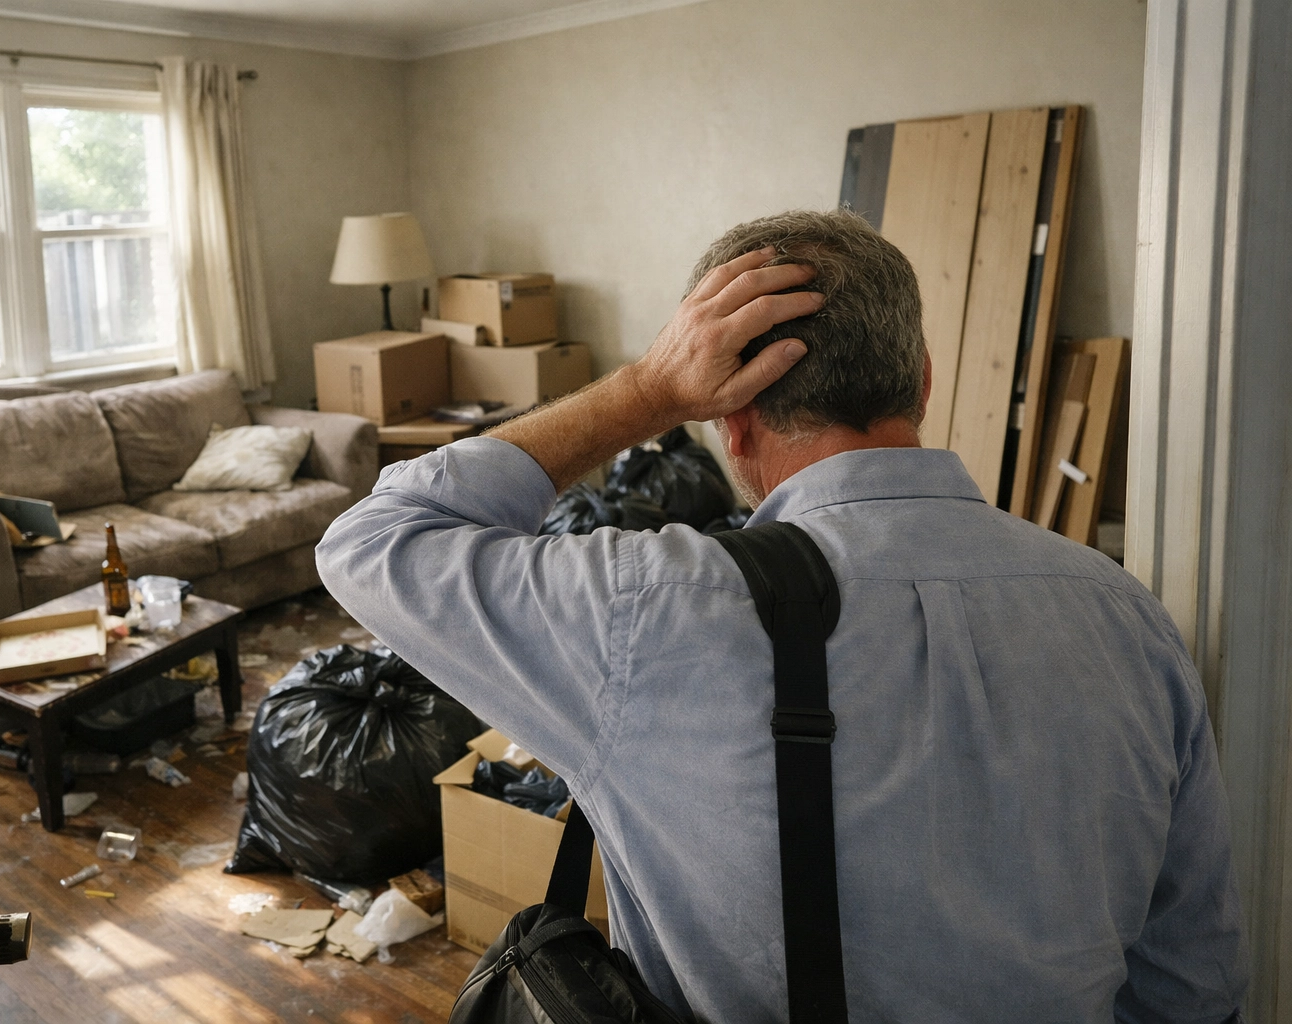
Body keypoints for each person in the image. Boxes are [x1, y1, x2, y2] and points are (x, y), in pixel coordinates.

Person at [316, 210, 1246, 1022]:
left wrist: (645, 392)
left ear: (730, 418)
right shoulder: (1128, 616)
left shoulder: (648, 612)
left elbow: (372, 540)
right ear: (922, 381)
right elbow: (1189, 979)